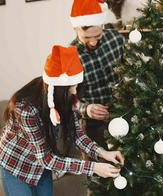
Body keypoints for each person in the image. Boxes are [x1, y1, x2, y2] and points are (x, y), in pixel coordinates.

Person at [0, 45, 124, 196]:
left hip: (41, 167)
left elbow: (77, 135)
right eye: (72, 87)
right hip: (15, 166)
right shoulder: (25, 109)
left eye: (76, 86)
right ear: (58, 88)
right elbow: (47, 159)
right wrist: (93, 167)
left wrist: (103, 153)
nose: (75, 92)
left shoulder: (65, 98)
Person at [70, 0, 124, 148]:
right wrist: (85, 108)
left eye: (98, 36)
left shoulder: (117, 39)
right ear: (75, 28)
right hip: (94, 125)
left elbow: (132, 71)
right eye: (87, 37)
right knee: (101, 167)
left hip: (124, 113)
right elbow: (65, 97)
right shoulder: (70, 56)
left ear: (102, 25)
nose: (93, 42)